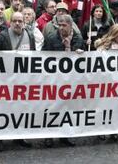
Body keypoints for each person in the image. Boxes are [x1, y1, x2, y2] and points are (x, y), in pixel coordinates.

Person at [0, 12, 35, 151]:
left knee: (20, 109)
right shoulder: (1, 36)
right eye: (15, 21)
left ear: (23, 22)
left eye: (20, 21)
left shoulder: (30, 36)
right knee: (1, 110)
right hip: (5, 81)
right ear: (10, 22)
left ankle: (19, 136)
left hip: (22, 81)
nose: (17, 23)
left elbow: (34, 56)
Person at [42, 14, 82, 147]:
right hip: (54, 79)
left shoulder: (77, 38)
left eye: (64, 25)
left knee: (68, 108)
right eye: (59, 25)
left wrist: (69, 48)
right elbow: (43, 56)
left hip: (71, 80)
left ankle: (66, 135)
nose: (61, 28)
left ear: (71, 26)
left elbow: (78, 60)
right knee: (52, 108)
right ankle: (49, 136)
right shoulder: (51, 37)